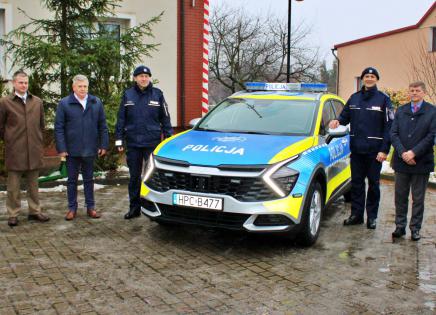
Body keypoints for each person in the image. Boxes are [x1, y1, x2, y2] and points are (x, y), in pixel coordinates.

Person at [329, 67, 393, 229]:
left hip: (374, 152)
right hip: (357, 150)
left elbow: (389, 127)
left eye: (372, 76)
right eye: (366, 76)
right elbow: (344, 117)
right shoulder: (354, 98)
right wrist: (337, 121)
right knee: (356, 184)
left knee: (373, 184)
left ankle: (372, 217)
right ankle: (356, 215)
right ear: (362, 79)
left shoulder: (383, 100)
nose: (369, 79)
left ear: (376, 79)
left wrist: (384, 150)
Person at [115, 66, 173, 219]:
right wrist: (119, 139)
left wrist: (168, 138)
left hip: (151, 143)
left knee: (151, 177)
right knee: (134, 177)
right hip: (133, 143)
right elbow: (121, 119)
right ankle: (134, 208)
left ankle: (153, 208)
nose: (144, 78)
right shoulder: (128, 95)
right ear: (135, 78)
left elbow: (165, 119)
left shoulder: (157, 94)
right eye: (140, 76)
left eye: (146, 76)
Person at [55, 74, 109, 221]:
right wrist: (62, 148)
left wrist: (103, 144)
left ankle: (90, 207)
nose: (83, 89)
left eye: (85, 86)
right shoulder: (65, 104)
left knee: (89, 180)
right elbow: (59, 128)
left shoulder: (95, 102)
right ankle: (72, 208)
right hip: (72, 150)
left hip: (90, 149)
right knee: (71, 181)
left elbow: (102, 126)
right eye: (80, 86)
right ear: (74, 87)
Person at [0, 70, 50, 226]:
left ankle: (35, 211)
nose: (24, 85)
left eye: (26, 82)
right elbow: (1, 127)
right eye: (21, 82)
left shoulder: (37, 102)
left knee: (33, 184)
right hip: (15, 150)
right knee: (13, 185)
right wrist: (10, 139)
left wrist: (37, 140)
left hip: (34, 149)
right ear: (14, 83)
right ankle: (13, 213)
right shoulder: (5, 102)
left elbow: (42, 125)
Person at [390, 81, 435, 241]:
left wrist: (414, 153)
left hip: (421, 162)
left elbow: (431, 136)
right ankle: (400, 227)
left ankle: (415, 228)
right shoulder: (401, 110)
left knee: (418, 198)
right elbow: (393, 133)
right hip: (401, 162)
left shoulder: (432, 111)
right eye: (411, 90)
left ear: (423, 93)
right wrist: (403, 153)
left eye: (417, 90)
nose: (414, 93)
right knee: (400, 196)